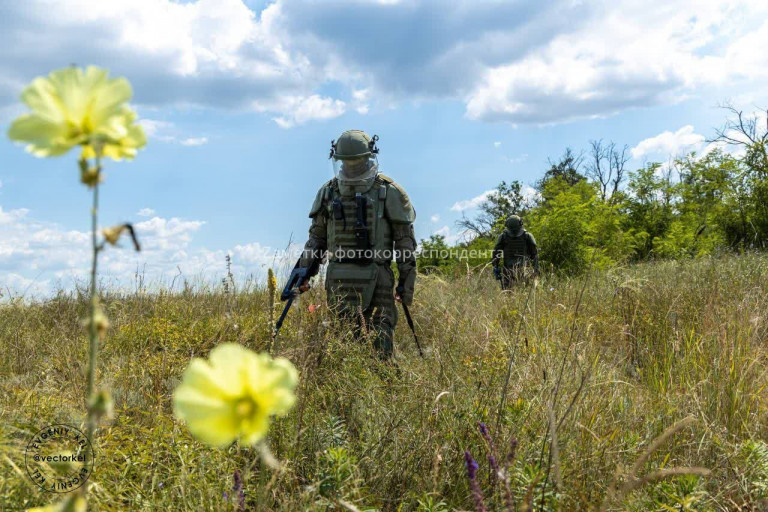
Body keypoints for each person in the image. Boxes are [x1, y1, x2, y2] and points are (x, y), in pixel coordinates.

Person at [297, 130, 417, 359]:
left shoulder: (329, 192)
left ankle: (360, 388)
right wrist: (304, 273)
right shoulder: (388, 191)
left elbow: (315, 241)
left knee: (354, 341)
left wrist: (305, 273)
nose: (352, 166)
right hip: (359, 276)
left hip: (344, 278)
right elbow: (405, 245)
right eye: (347, 162)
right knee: (364, 342)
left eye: (355, 161)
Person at [491, 215, 539, 289]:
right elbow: (534, 255)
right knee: (525, 292)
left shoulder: (503, 237)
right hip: (524, 270)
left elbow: (496, 255)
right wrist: (535, 270)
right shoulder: (527, 236)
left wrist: (495, 268)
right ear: (520, 223)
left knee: (508, 295)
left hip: (508, 271)